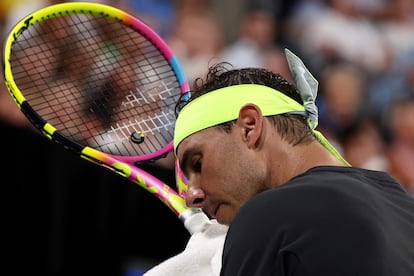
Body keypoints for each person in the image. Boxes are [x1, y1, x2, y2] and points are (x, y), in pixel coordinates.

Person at [146, 49, 414, 275]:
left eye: (198, 163)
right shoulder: (403, 202)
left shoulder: (267, 215)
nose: (192, 195)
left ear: (249, 127)